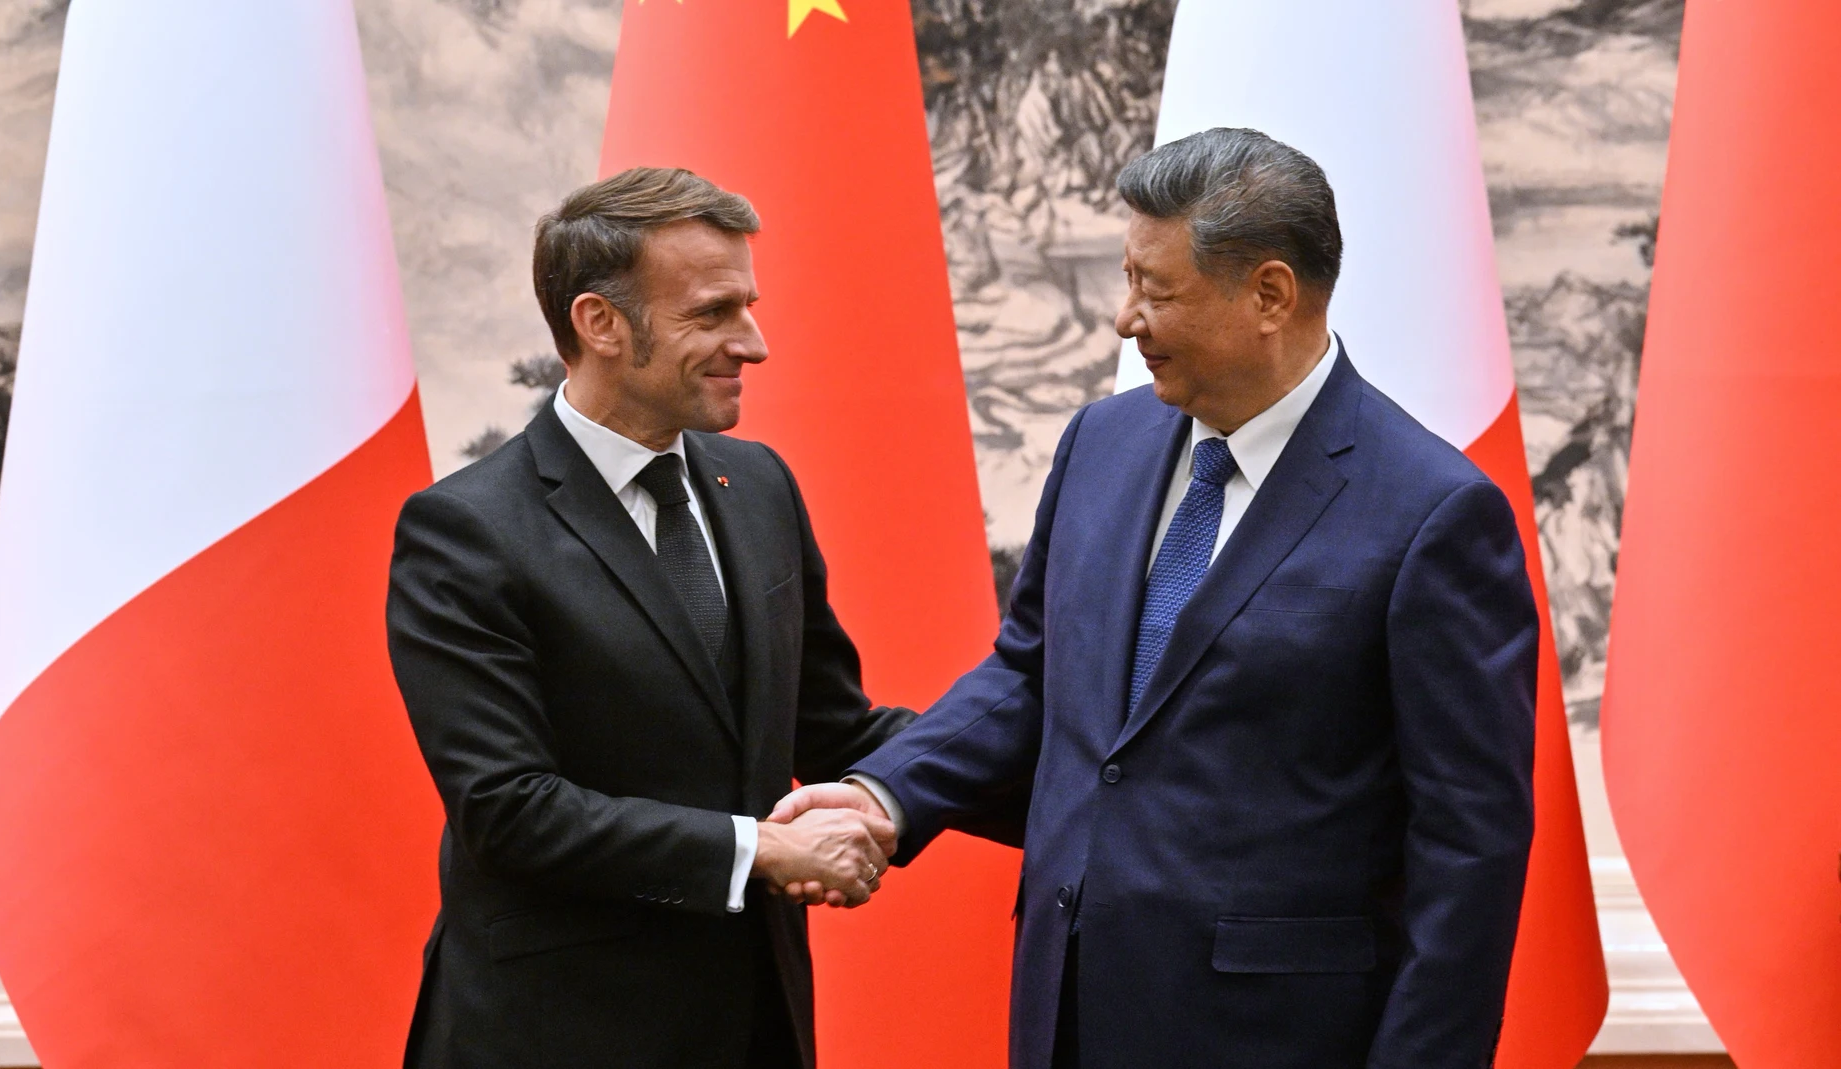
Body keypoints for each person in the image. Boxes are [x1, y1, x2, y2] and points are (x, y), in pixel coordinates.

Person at [772, 129, 1538, 1069]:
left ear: (1269, 294)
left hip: (1275, 1039)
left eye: (1155, 288)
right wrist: (885, 793)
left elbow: (1471, 847)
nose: (1126, 319)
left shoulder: (1433, 513)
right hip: (1067, 1011)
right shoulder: (1103, 442)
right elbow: (1030, 674)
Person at [388, 166, 911, 1069]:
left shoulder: (760, 488)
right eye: (713, 313)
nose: (754, 343)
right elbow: (507, 808)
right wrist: (761, 852)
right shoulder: (464, 531)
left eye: (747, 305)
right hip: (556, 1037)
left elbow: (834, 726)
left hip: (756, 1030)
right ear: (600, 323)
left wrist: (1065, 766)